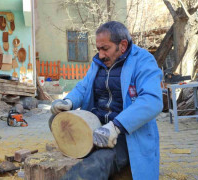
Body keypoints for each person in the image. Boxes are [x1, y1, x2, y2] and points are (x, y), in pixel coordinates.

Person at [50, 21, 163, 180]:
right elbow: (83, 87)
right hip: (97, 127)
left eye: (105, 48)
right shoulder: (99, 62)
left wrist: (116, 126)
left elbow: (152, 101)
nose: (101, 54)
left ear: (122, 45)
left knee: (89, 170)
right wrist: (68, 102)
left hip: (124, 134)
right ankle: (85, 146)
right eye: (98, 49)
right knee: (56, 118)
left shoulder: (143, 61)